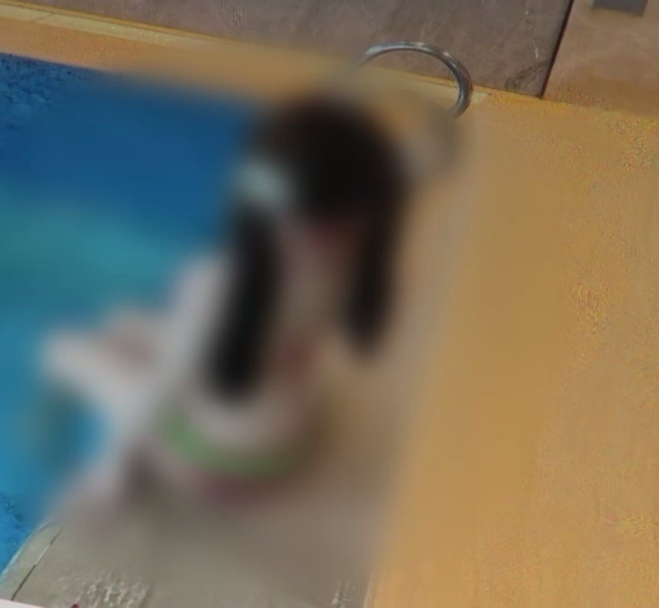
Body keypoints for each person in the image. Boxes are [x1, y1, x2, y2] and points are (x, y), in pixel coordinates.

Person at [38, 94, 412, 526]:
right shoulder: (356, 262)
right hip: (296, 438)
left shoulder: (217, 281)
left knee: (63, 348)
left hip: (217, 465)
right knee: (126, 321)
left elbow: (161, 394)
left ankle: (44, 432)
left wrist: (110, 472)